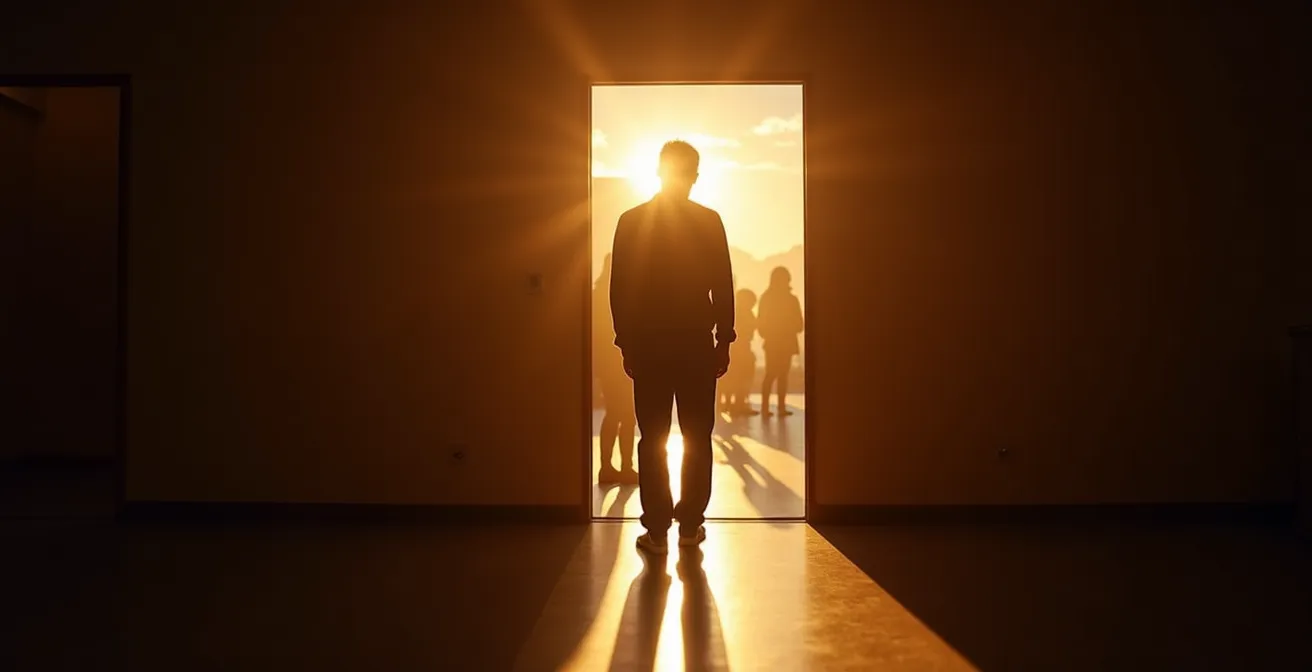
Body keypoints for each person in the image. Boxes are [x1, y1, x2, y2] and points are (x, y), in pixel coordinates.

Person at [610, 140, 735, 554]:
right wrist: (724, 339)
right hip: (696, 344)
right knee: (698, 436)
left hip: (649, 346)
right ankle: (689, 526)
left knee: (653, 437)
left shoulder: (632, 221)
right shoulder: (708, 221)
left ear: (658, 171)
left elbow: (620, 289)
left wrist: (626, 341)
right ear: (695, 175)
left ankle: (658, 529)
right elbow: (723, 286)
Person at [593, 253, 638, 485]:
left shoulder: (597, 294)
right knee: (628, 415)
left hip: (607, 363)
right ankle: (627, 467)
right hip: (628, 359)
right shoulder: (630, 294)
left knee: (614, 413)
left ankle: (606, 466)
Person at [757, 266, 803, 417]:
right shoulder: (791, 299)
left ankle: (766, 408)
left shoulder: (766, 298)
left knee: (771, 375)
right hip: (785, 342)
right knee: (780, 375)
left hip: (773, 342)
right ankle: (780, 408)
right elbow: (799, 324)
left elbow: (761, 323)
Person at [724, 288, 759, 416]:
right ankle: (739, 404)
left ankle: (731, 403)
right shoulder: (746, 314)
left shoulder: (735, 313)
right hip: (742, 348)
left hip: (736, 349)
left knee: (733, 377)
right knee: (742, 378)